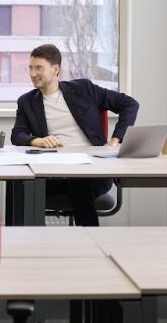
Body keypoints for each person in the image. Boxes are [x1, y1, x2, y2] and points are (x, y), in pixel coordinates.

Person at [11, 43, 139, 226]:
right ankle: (28, 242)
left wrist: (115, 140)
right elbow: (17, 135)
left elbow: (129, 104)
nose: (32, 73)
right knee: (17, 185)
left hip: (92, 170)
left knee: (78, 185)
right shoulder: (27, 102)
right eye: (30, 68)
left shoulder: (84, 89)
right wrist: (37, 141)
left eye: (38, 68)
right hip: (54, 171)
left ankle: (91, 246)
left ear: (56, 69)